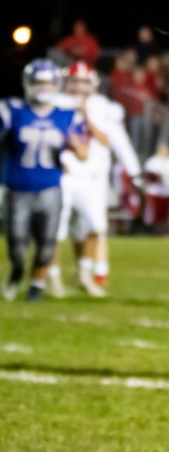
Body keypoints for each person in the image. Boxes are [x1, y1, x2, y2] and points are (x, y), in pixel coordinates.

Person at [51, 61, 142, 296]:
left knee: (95, 226)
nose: (80, 86)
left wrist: (134, 171)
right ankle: (52, 276)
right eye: (75, 81)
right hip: (63, 175)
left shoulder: (102, 106)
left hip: (92, 178)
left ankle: (85, 272)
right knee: (57, 230)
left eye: (84, 81)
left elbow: (112, 140)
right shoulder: (55, 103)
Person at [1, 59, 88, 301]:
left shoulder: (67, 115)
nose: (43, 88)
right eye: (38, 83)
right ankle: (17, 272)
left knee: (47, 244)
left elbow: (83, 154)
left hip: (50, 187)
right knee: (17, 245)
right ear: (28, 84)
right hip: (17, 187)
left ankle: (36, 285)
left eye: (48, 83)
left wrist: (75, 145)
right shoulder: (12, 110)